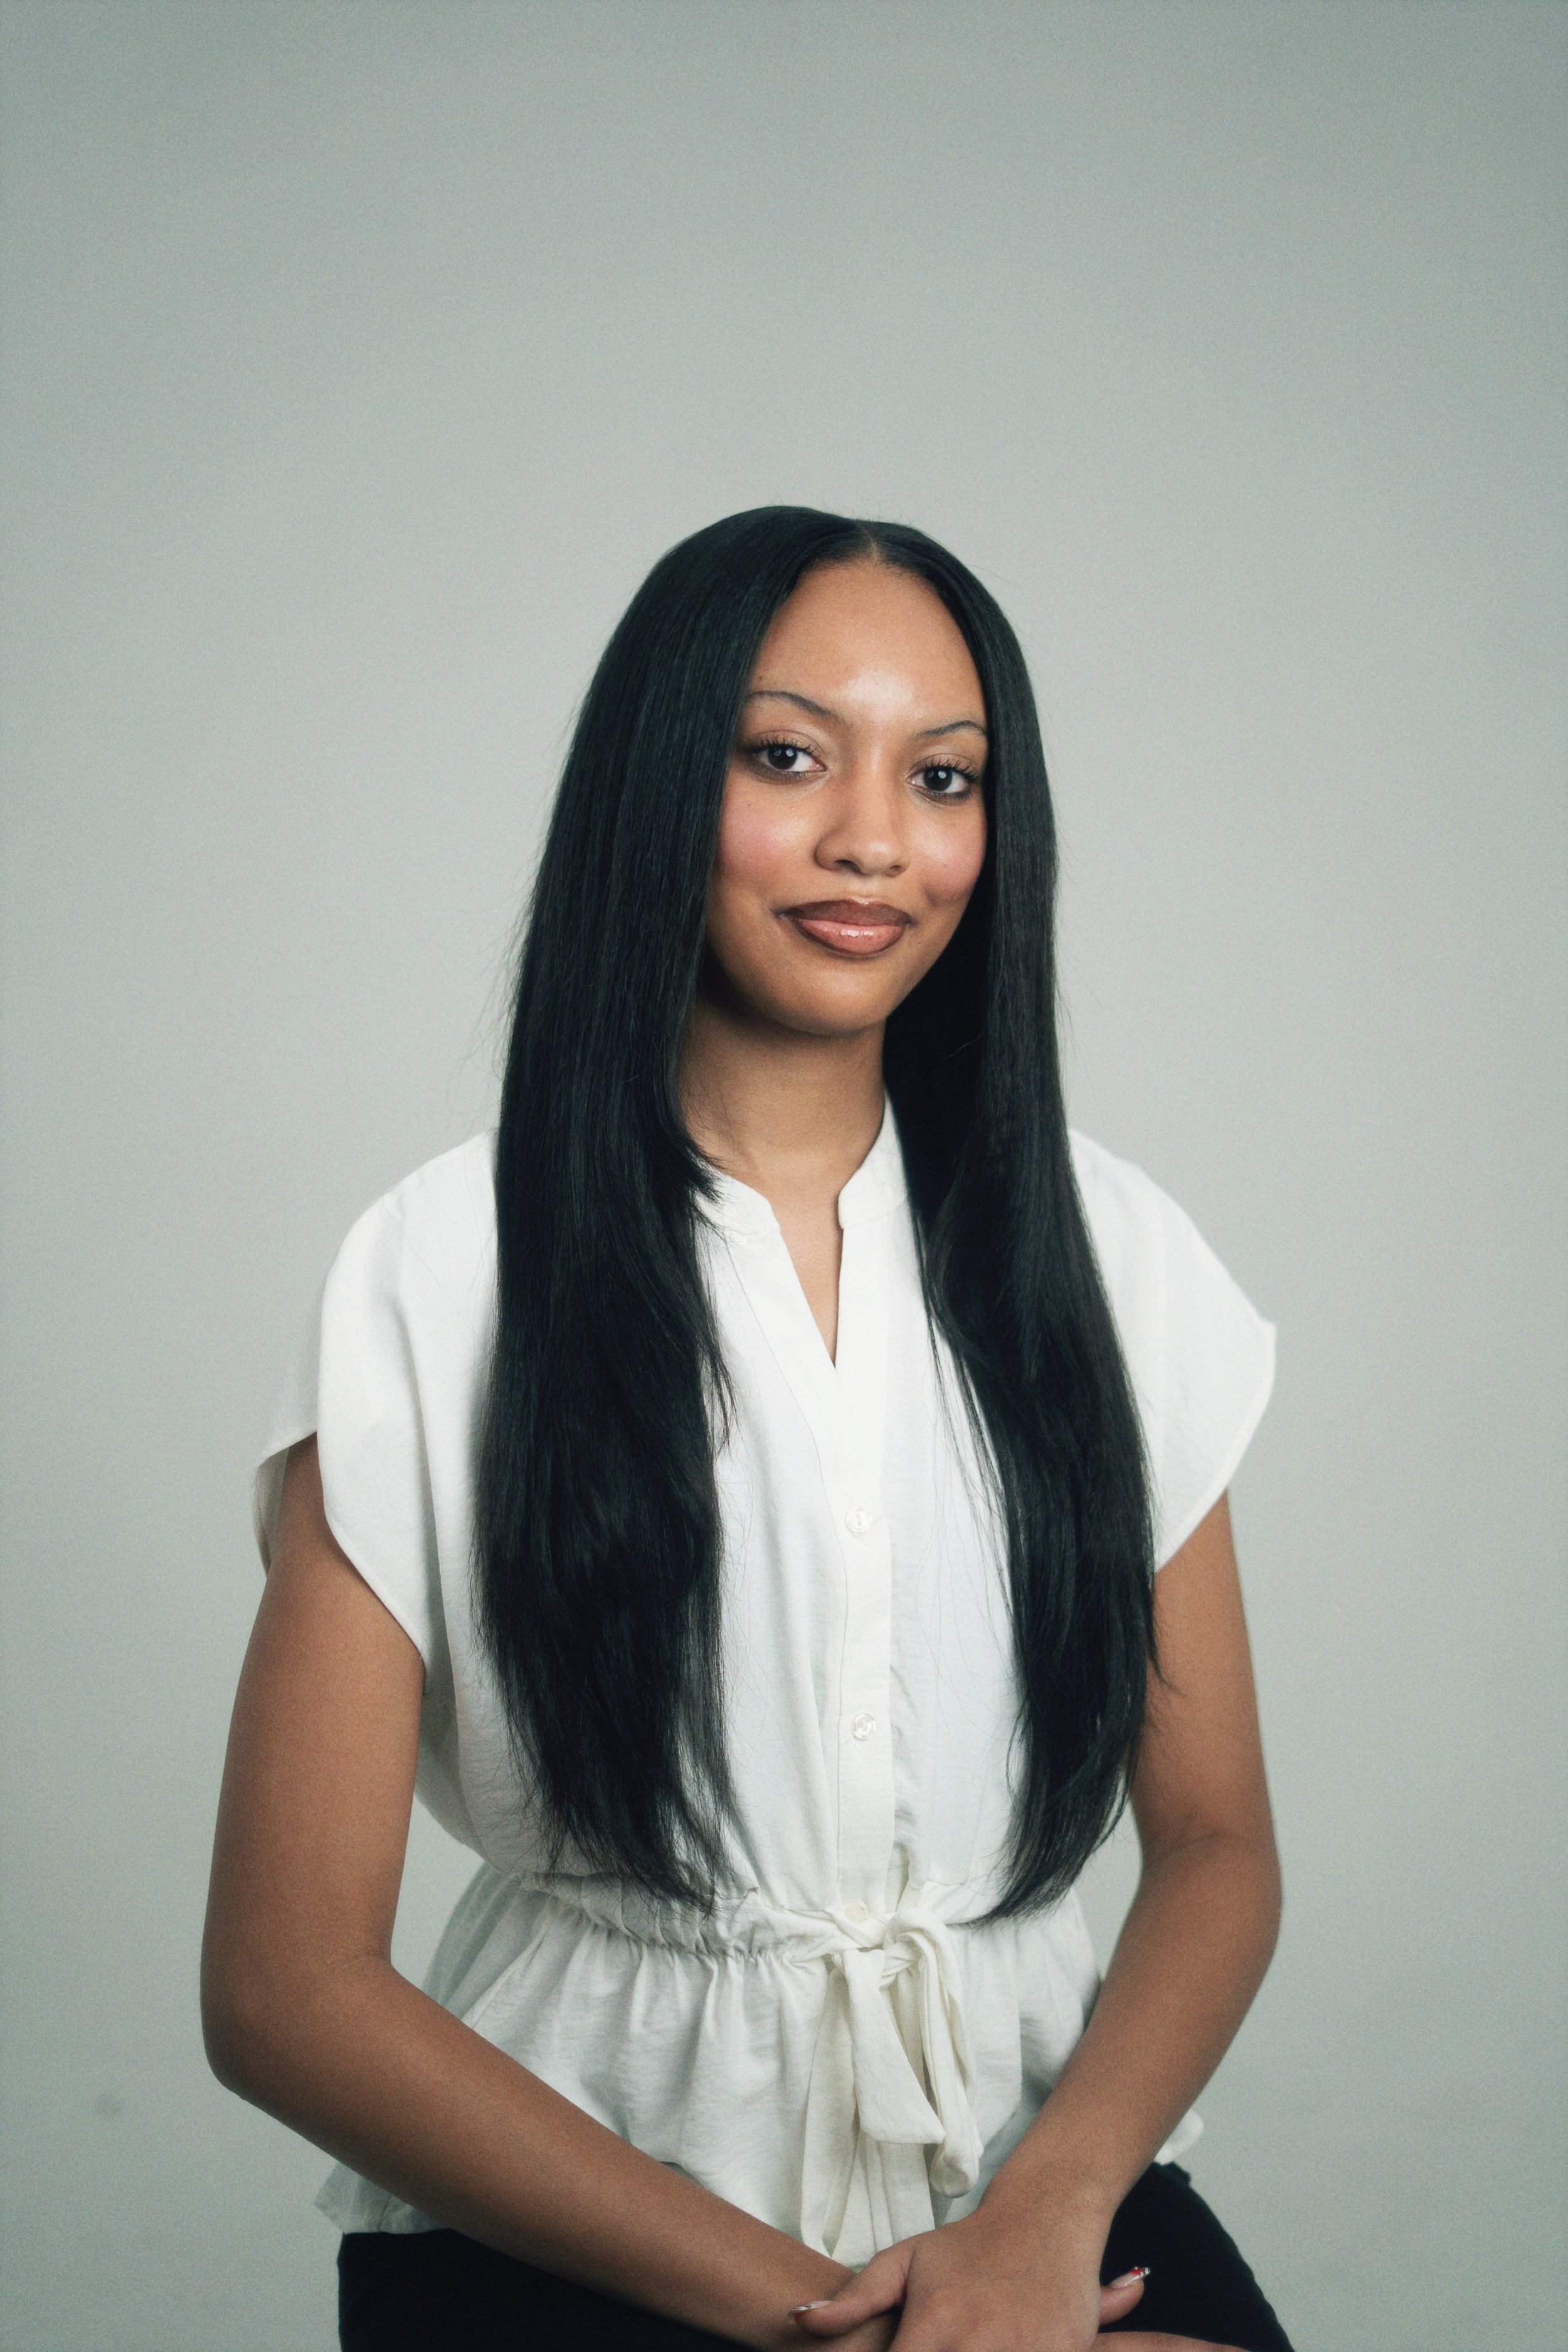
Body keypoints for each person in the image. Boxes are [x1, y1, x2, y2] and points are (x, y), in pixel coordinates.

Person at [203, 507, 1292, 2352]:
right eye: (786, 756)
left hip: (1032, 2181)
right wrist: (864, 2332)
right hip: (569, 2212)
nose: (874, 835)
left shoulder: (1108, 1256)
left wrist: (1037, 2226)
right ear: (654, 788)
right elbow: (285, 1991)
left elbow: (1213, 1847)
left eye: (943, 777)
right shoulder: (442, 1274)